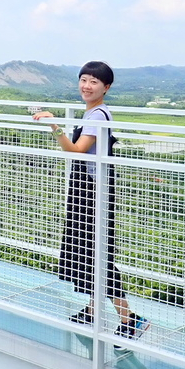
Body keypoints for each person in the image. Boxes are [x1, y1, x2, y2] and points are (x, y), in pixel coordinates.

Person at [33, 61, 149, 351]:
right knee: (88, 249)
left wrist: (54, 125)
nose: (86, 85)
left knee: (97, 252)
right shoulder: (94, 112)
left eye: (94, 82)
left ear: (106, 87)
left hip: (93, 193)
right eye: (83, 80)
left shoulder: (97, 115)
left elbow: (76, 150)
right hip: (90, 189)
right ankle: (93, 311)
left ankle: (130, 319)